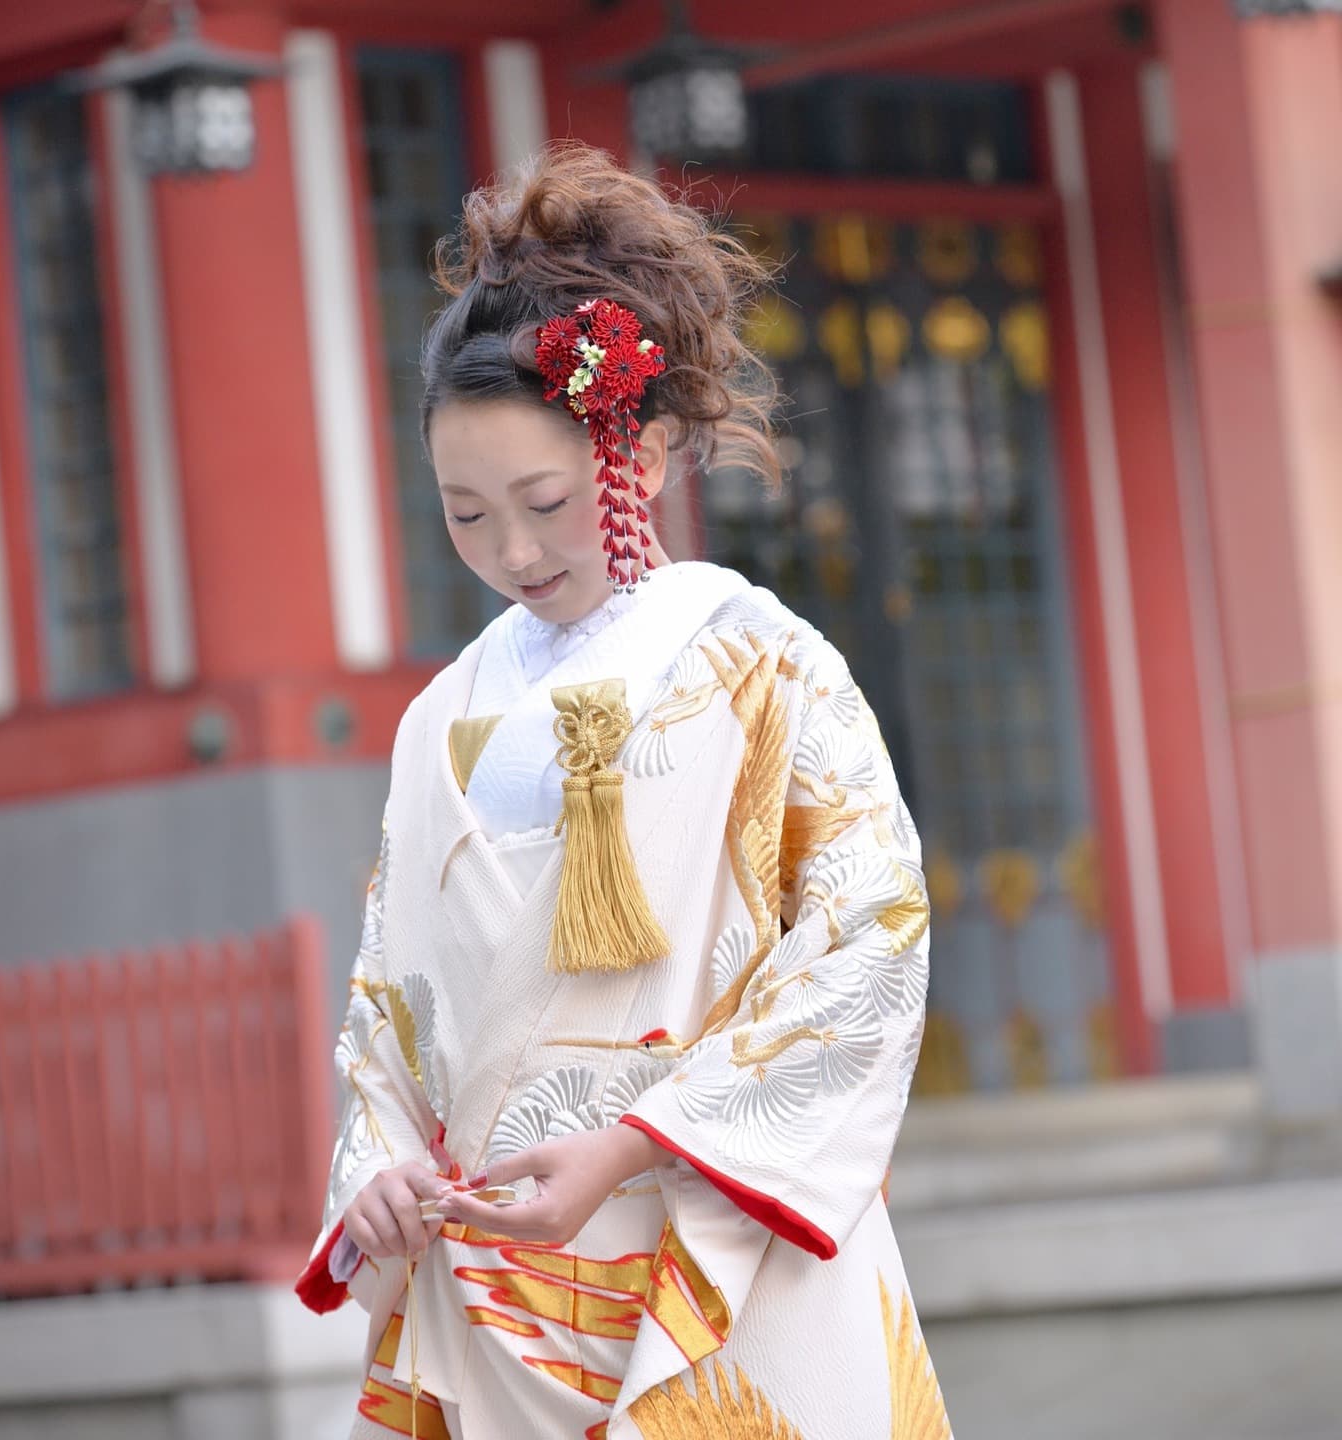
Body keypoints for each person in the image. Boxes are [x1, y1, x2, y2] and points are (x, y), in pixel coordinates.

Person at [296, 142, 951, 1440]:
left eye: (542, 499)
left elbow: (868, 936)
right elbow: (389, 1003)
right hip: (496, 1275)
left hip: (699, 1228)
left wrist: (635, 1141)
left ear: (637, 457)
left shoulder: (760, 669)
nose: (514, 549)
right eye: (466, 515)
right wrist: (375, 1166)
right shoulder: (444, 719)